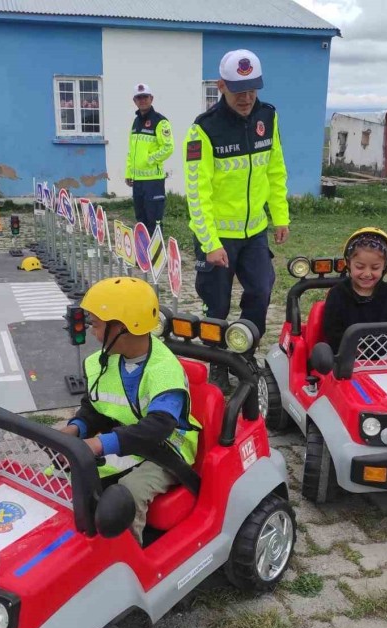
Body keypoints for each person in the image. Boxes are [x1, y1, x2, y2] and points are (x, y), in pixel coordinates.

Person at [60, 277, 200, 544]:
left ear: (121, 328)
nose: (92, 331)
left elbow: (159, 426)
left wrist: (100, 444)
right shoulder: (107, 360)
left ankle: (126, 561)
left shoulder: (163, 370)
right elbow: (96, 406)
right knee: (71, 474)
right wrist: (77, 427)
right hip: (128, 440)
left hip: (167, 449)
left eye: (96, 324)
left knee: (129, 493)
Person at [184, 49, 290, 390]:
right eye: (237, 90)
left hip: (254, 232)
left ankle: (244, 352)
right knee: (216, 304)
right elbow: (197, 193)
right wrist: (210, 243)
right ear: (221, 86)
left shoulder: (268, 117)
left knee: (261, 289)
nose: (246, 98)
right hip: (217, 237)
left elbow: (275, 171)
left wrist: (280, 217)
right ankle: (216, 362)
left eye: (252, 89)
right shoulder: (203, 129)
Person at [321, 228, 387, 353]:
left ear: (385, 266)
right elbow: (332, 331)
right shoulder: (338, 293)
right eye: (360, 267)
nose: (367, 274)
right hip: (347, 358)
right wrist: (352, 348)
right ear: (348, 263)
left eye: (375, 267)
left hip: (383, 358)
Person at [124, 83, 173, 236]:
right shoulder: (136, 122)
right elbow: (132, 151)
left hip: (153, 181)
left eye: (145, 97)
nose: (142, 100)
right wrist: (129, 173)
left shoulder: (160, 121)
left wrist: (150, 159)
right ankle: (144, 257)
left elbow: (168, 147)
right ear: (134, 101)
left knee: (154, 222)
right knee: (141, 221)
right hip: (137, 181)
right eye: (139, 98)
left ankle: (157, 257)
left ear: (151, 98)